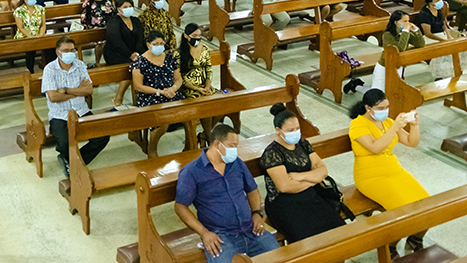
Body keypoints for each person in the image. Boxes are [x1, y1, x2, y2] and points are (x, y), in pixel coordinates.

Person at [175, 124, 279, 263]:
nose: (235, 150)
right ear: (217, 144)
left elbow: (252, 190)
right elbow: (180, 206)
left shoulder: (237, 163)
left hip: (250, 229)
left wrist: (256, 213)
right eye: (232, 145)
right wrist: (204, 233)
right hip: (220, 237)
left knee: (279, 257)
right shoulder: (192, 172)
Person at [349, 89, 429, 256]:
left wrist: (415, 125)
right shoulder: (358, 125)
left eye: (387, 107)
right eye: (380, 108)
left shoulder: (388, 121)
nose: (385, 111)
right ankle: (390, 247)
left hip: (394, 170)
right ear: (368, 108)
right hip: (371, 176)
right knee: (401, 210)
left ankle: (415, 238)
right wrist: (394, 127)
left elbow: (411, 142)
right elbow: (376, 148)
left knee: (427, 203)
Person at [260, 103, 345, 243]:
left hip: (310, 197)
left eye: (298, 128)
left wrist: (300, 177)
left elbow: (322, 169)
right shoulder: (272, 153)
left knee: (339, 233)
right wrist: (313, 179)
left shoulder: (303, 144)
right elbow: (285, 187)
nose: (296, 132)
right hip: (285, 204)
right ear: (278, 130)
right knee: (307, 242)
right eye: (290, 129)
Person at [42, 36, 109, 177]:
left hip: (81, 111)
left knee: (102, 136)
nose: (70, 53)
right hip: (59, 114)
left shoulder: (80, 65)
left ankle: (75, 160)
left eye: (72, 50)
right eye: (66, 50)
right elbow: (53, 97)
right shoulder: (50, 69)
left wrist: (65, 90)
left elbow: (88, 90)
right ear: (58, 52)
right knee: (65, 141)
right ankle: (67, 157)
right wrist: (77, 90)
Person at [132, 30, 186, 157]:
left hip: (170, 93)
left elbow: (178, 79)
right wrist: (159, 92)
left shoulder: (169, 58)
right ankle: (152, 148)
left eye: (161, 43)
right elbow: (138, 86)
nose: (159, 46)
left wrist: (173, 88)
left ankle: (190, 144)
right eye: (155, 44)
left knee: (190, 111)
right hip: (150, 96)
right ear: (148, 45)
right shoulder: (140, 61)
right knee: (163, 119)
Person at [178, 23, 224, 145]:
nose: (197, 38)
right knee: (206, 106)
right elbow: (180, 77)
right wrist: (197, 89)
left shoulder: (204, 49)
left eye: (199, 36)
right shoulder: (179, 53)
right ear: (186, 36)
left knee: (223, 103)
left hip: (204, 85)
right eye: (194, 36)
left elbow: (208, 69)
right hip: (189, 88)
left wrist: (207, 86)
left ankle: (204, 134)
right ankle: (209, 137)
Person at [106, 0, 146, 109]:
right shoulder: (113, 22)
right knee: (133, 67)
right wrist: (130, 54)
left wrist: (136, 52)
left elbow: (140, 38)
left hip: (135, 53)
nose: (128, 8)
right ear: (118, 9)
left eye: (130, 6)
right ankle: (119, 97)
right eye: (125, 7)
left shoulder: (136, 21)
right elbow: (116, 41)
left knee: (145, 62)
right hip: (116, 54)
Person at [372, 10, 424, 90]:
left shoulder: (405, 34)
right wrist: (405, 31)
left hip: (400, 65)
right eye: (404, 21)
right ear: (396, 22)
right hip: (385, 66)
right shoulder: (387, 35)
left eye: (408, 21)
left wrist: (416, 30)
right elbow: (399, 50)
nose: (407, 24)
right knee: (380, 90)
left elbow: (420, 44)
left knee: (394, 89)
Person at [81, 0, 115, 66]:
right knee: (100, 40)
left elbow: (114, 13)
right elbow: (83, 17)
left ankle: (111, 61)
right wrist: (87, 27)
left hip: (108, 26)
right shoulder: (89, 1)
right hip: (94, 27)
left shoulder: (109, 0)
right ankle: (98, 62)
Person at [14, 0, 46, 73]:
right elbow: (21, 27)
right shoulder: (19, 11)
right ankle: (30, 71)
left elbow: (43, 24)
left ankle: (49, 68)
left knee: (50, 44)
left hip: (38, 35)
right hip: (25, 36)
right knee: (31, 46)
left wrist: (41, 36)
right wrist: (31, 37)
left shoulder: (40, 9)